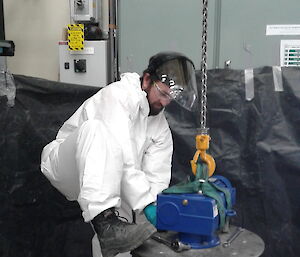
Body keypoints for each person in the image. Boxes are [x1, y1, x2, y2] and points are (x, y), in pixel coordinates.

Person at [40, 51, 198, 257]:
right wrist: (145, 202)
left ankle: (109, 232)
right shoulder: (118, 96)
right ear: (147, 80)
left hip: (105, 178)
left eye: (171, 97)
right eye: (162, 93)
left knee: (123, 237)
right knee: (96, 130)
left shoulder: (161, 129)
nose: (165, 102)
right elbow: (125, 158)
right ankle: (106, 224)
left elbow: (156, 177)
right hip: (65, 165)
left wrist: (154, 210)